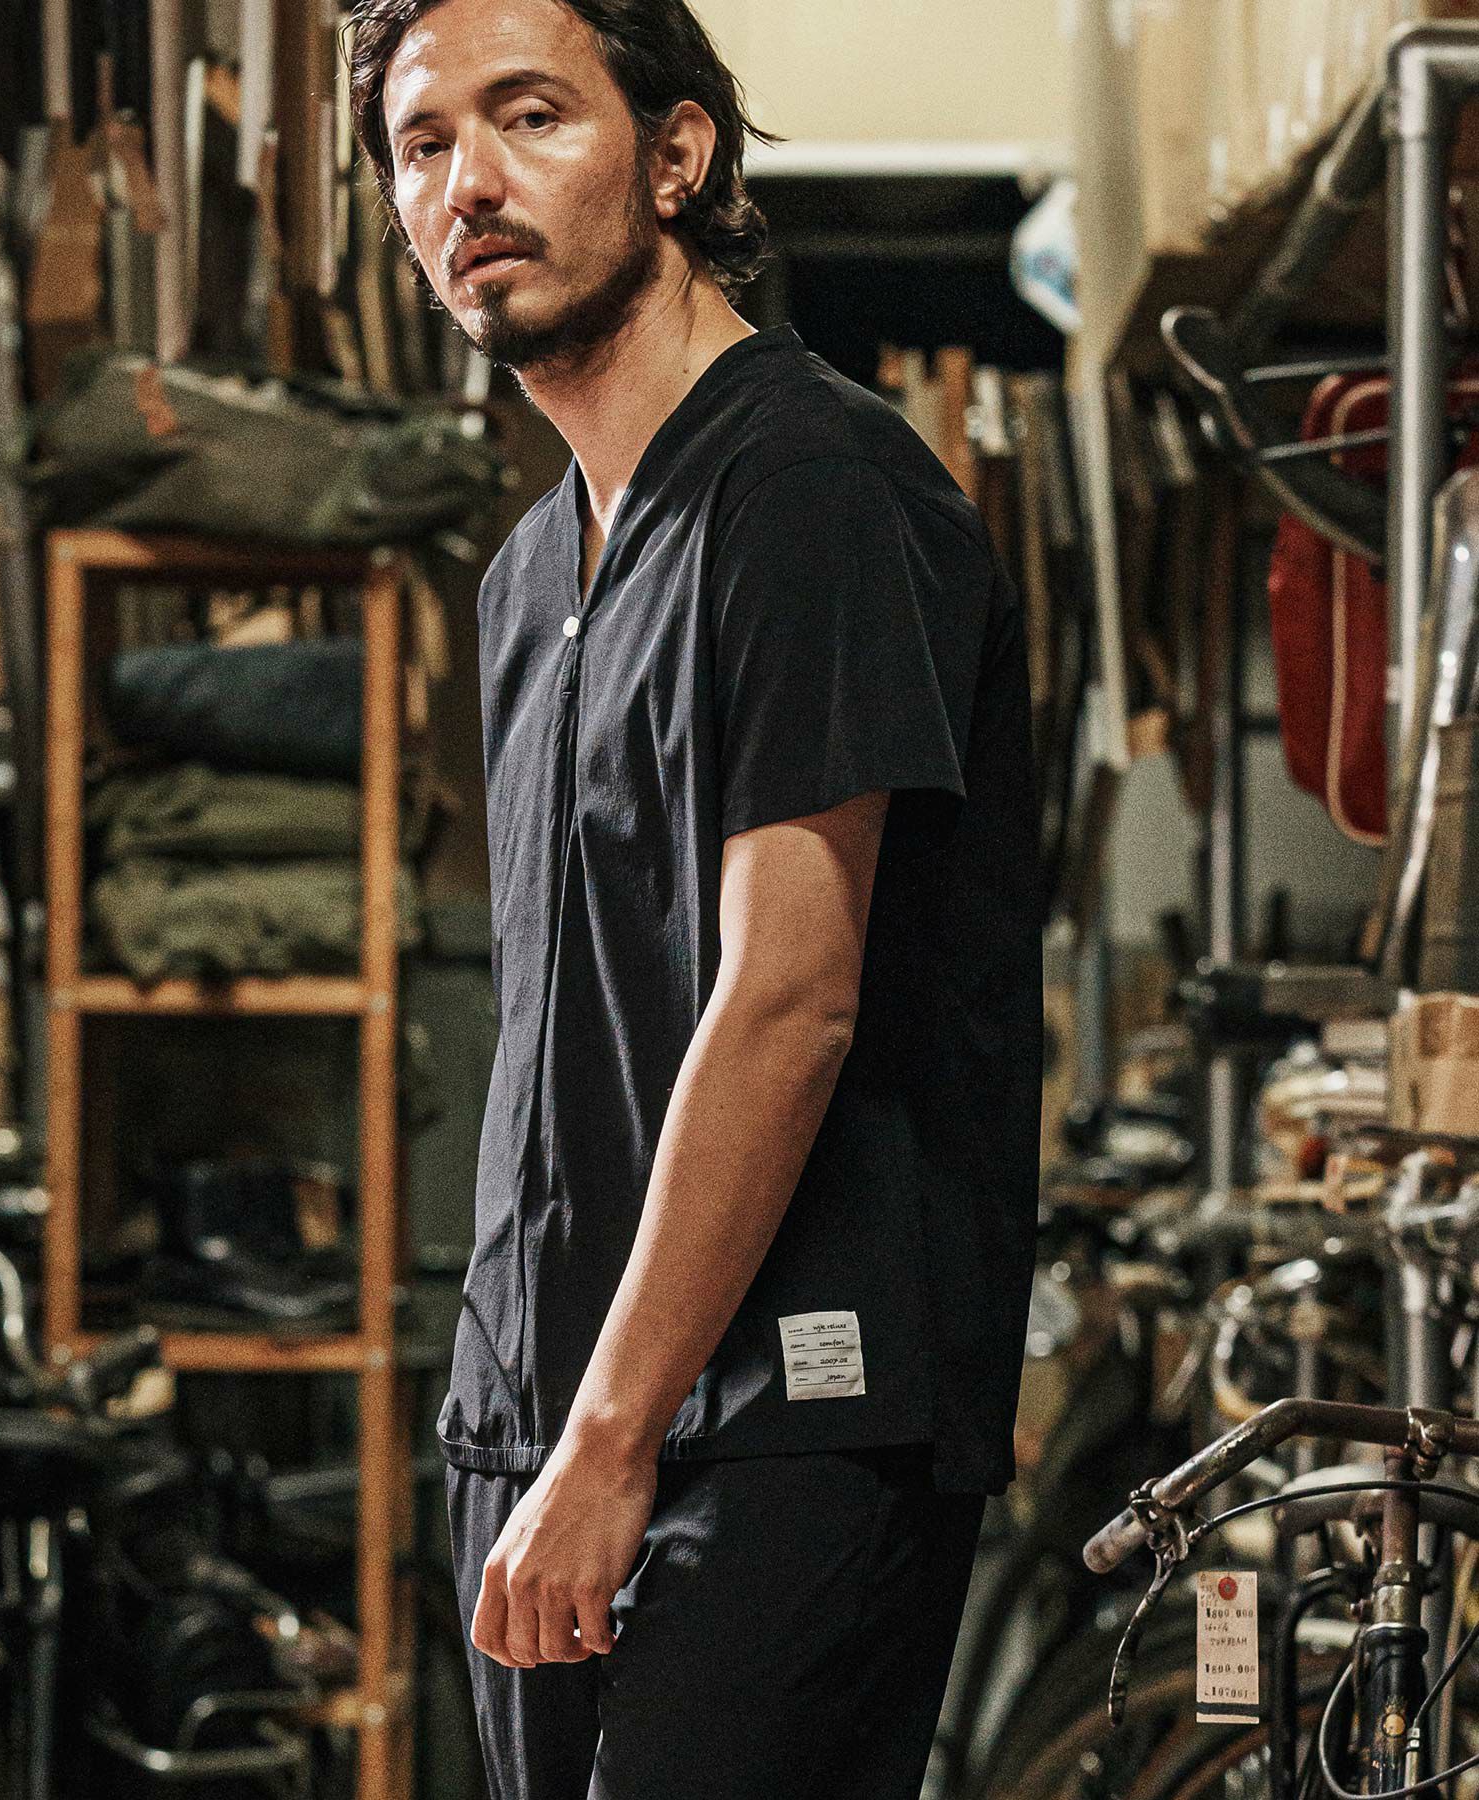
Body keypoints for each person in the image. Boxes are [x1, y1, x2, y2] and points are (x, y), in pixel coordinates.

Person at [350, 0, 1043, 1792]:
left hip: (775, 1423)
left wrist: (610, 1439)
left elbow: (790, 998)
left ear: (676, 155)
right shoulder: (530, 574)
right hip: (539, 1414)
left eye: (531, 117)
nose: (469, 182)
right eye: (424, 144)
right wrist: (527, 1419)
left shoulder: (812, 489)